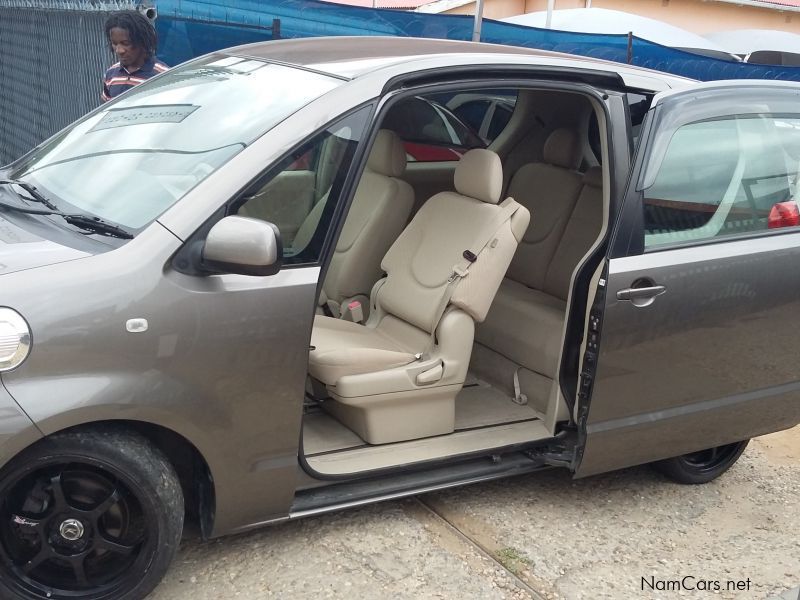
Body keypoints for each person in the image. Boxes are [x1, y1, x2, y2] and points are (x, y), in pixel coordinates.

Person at [102, 10, 168, 102]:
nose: (119, 50)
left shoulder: (163, 76)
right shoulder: (111, 74)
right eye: (115, 44)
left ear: (142, 40)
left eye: (125, 43)